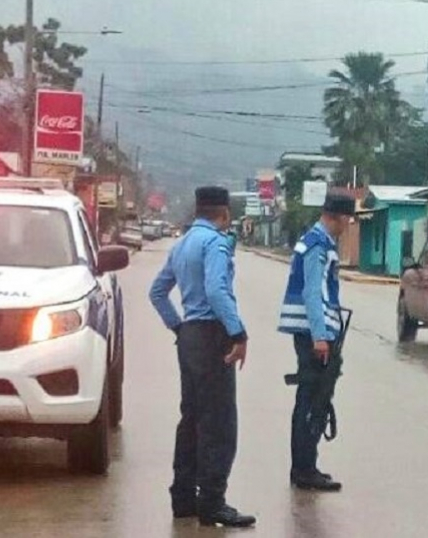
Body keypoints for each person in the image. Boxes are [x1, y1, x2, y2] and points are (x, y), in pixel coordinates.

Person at [149, 186, 256, 528]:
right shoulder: (216, 243)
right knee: (219, 424)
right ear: (224, 214)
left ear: (197, 211)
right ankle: (212, 503)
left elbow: (157, 292)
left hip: (190, 338)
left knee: (191, 419)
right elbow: (216, 289)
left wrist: (178, 327)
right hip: (212, 336)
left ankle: (183, 499)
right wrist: (238, 332)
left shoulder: (181, 245)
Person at [277, 191, 356, 492]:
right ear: (335, 216)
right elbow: (313, 292)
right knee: (312, 400)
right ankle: (304, 469)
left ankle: (306, 466)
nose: (348, 224)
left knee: (314, 399)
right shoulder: (317, 245)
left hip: (315, 332)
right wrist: (320, 336)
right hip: (313, 335)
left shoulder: (319, 242)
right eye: (347, 218)